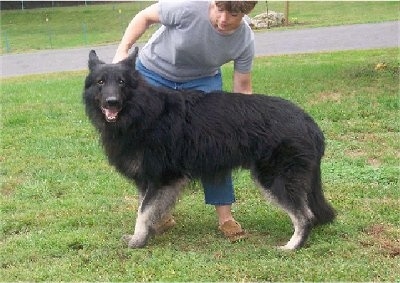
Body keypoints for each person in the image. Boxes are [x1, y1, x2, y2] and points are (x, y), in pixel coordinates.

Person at [113, 0, 257, 242]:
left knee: (215, 147)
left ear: (245, 13)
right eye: (219, 10)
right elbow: (144, 17)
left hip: (200, 82)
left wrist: (239, 122)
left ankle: (225, 217)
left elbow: (242, 88)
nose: (223, 19)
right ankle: (159, 215)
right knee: (149, 151)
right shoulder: (188, 7)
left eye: (233, 14)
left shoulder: (244, 40)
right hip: (153, 74)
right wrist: (122, 51)